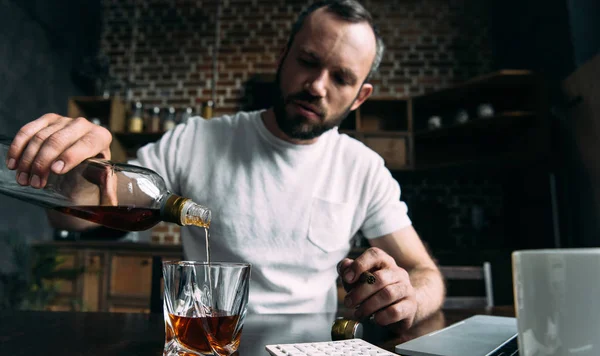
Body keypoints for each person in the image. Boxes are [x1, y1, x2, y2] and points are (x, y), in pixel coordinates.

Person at [5, 0, 444, 331]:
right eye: (308, 62)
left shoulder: (363, 169)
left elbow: (426, 274)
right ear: (283, 58)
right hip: (203, 341)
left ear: (360, 96)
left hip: (312, 351)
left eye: (341, 78)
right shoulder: (198, 140)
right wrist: (77, 171)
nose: (316, 86)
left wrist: (409, 298)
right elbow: (90, 209)